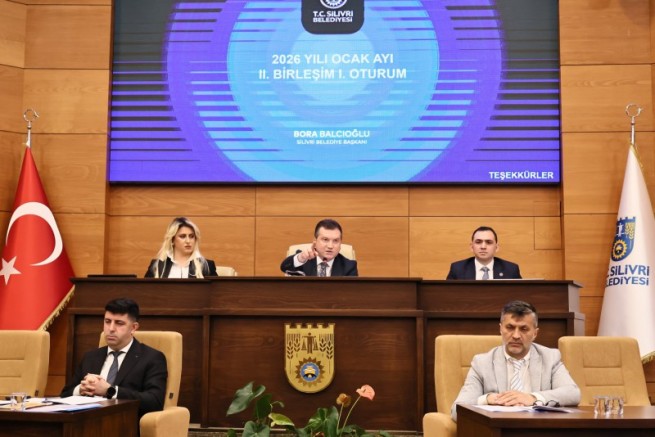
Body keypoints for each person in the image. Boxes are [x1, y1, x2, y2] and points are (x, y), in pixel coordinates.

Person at [451, 300, 580, 420]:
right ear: (501, 329)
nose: (516, 335)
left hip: (539, 429)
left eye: (524, 329)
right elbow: (457, 411)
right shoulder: (482, 363)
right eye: (510, 327)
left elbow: (573, 393)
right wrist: (487, 399)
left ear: (535, 333)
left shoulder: (550, 358)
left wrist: (532, 398)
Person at [60, 298, 167, 418]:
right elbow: (64, 395)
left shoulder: (151, 358)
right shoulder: (90, 357)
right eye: (107, 321)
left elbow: (155, 401)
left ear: (133, 328)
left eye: (119, 323)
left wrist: (110, 391)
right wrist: (81, 389)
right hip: (86, 421)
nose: (111, 329)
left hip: (123, 422)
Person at [280, 218, 358, 276]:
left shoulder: (349, 266)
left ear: (340, 243)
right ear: (315, 241)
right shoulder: (304, 259)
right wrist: (301, 258)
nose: (330, 246)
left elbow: (351, 292)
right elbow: (284, 267)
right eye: (325, 239)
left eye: (335, 241)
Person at [145, 216, 217, 278]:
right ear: (172, 240)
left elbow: (217, 289)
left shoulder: (207, 266)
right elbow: (145, 289)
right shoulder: (157, 265)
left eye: (191, 236)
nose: (188, 241)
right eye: (182, 236)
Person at [446, 226, 521, 279]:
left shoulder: (511, 269)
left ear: (496, 248)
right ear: (472, 247)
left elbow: (520, 295)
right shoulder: (458, 269)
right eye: (478, 242)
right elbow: (448, 294)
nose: (483, 247)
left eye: (489, 242)